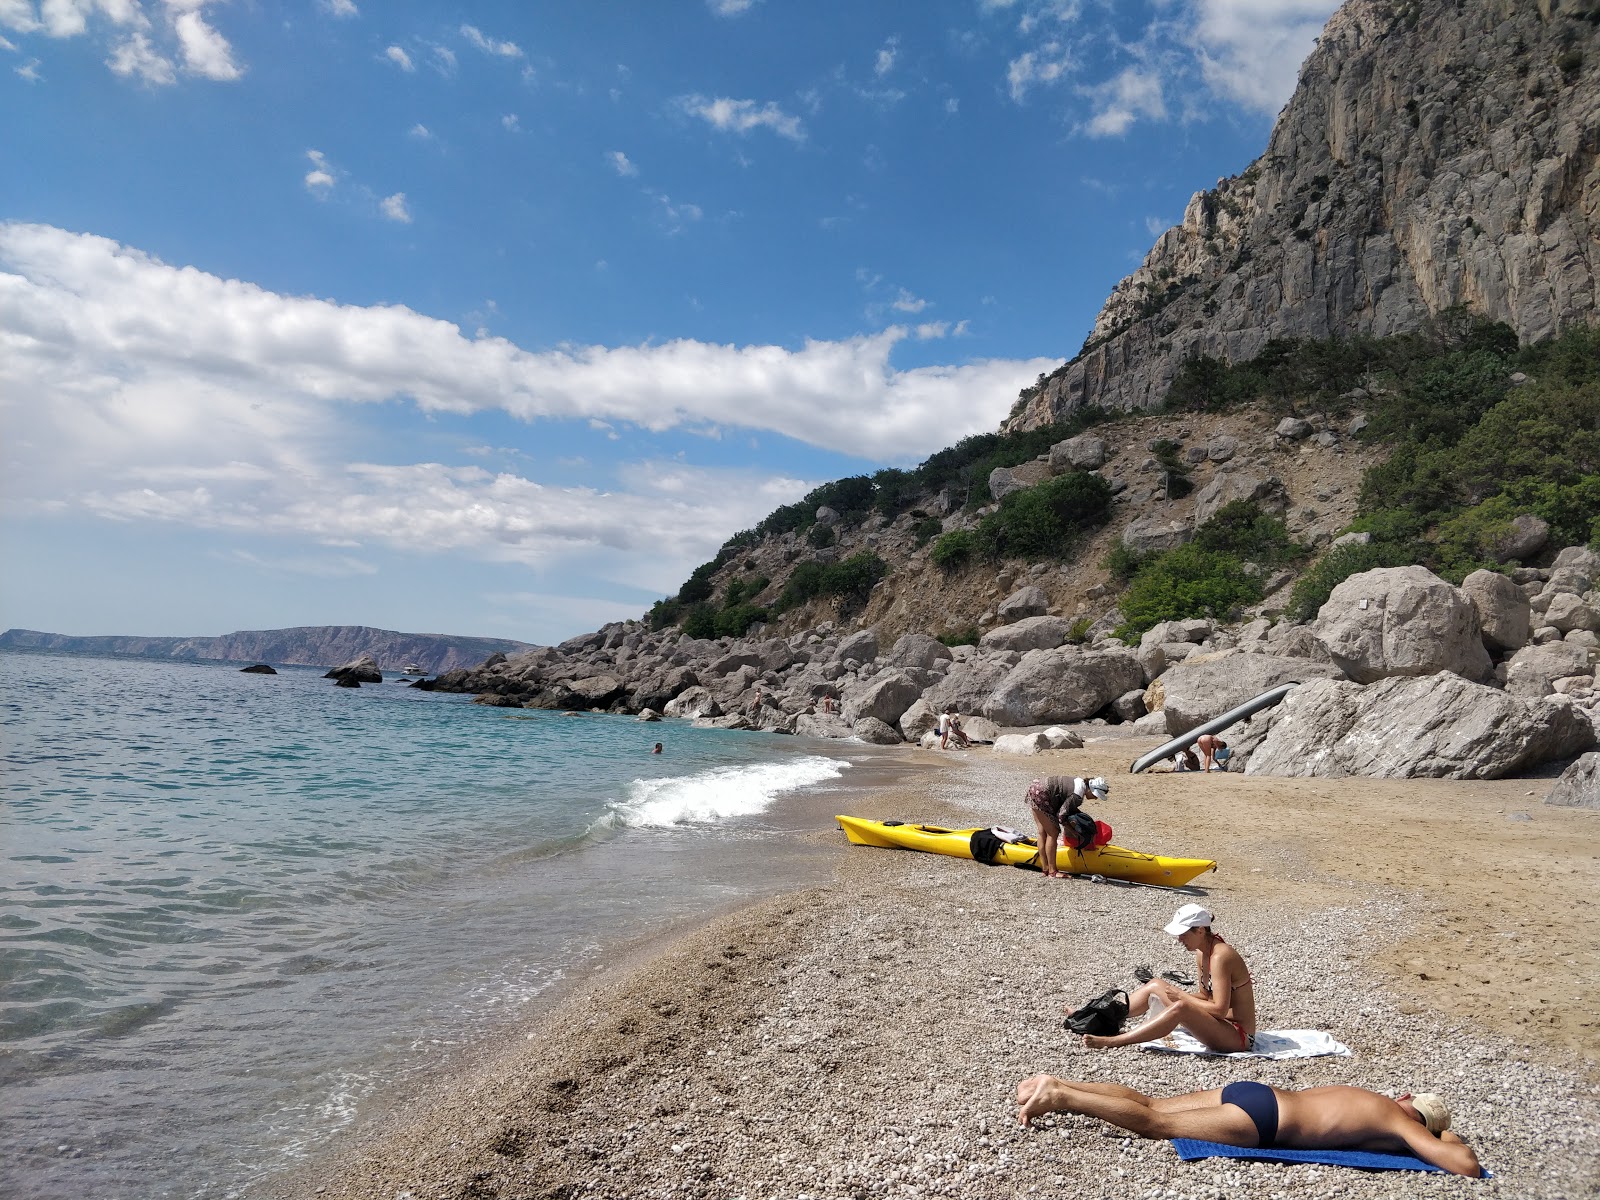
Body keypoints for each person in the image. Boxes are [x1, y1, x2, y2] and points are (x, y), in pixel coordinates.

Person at [1015, 1077, 1480, 1176]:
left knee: (1153, 1101)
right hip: (1266, 1120)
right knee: (1157, 1124)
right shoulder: (1399, 1122)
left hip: (1257, 1093)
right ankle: (1063, 1098)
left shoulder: (1372, 1099)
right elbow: (1461, 1166)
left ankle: (1057, 1082)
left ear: (1407, 1100)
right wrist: (1446, 1138)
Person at [1081, 903, 1254, 1051]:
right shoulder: (1202, 953)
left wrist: (1181, 997)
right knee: (1156, 984)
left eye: (1183, 934)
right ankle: (1096, 1015)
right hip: (1218, 1022)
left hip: (1238, 1035)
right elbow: (1204, 996)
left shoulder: (1221, 956)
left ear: (1200, 931)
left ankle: (1115, 1041)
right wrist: (1168, 994)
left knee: (1180, 1007)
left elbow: (1220, 1010)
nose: (1179, 939)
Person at [1026, 775, 1108, 879]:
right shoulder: (1077, 795)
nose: (1096, 798)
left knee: (1042, 832)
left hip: (1035, 787)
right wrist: (1073, 831)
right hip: (1043, 794)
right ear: (1091, 790)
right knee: (1053, 833)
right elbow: (1061, 816)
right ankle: (1053, 871)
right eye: (1096, 795)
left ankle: (1045, 869)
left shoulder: (1079, 782)